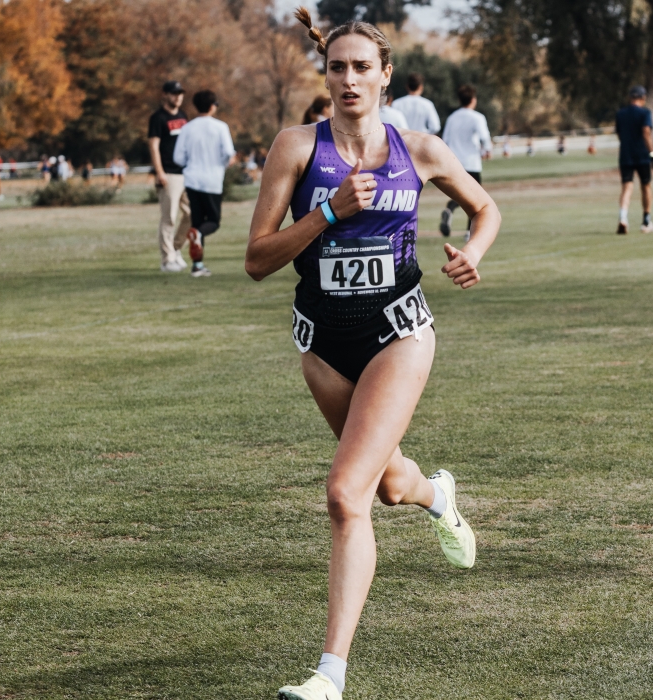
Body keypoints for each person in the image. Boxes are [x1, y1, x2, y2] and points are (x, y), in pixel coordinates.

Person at [246, 8, 501, 699]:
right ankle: (436, 493)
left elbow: (485, 207)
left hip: (399, 333)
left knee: (343, 493)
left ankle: (330, 675)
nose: (350, 78)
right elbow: (256, 261)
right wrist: (327, 212)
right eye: (338, 67)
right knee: (387, 487)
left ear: (386, 75)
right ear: (324, 74)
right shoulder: (297, 148)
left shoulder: (417, 149)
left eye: (363, 67)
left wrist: (472, 252)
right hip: (325, 345)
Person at [173, 89, 236, 277]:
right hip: (212, 180)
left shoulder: (187, 128)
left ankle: (197, 265)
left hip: (192, 180)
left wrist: (190, 164)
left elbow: (178, 158)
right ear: (212, 106)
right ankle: (198, 238)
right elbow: (229, 154)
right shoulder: (220, 127)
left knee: (198, 221)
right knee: (213, 222)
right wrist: (223, 164)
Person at [148, 80, 192, 272]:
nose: (178, 97)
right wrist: (159, 172)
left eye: (180, 93)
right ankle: (167, 260)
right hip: (168, 174)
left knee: (193, 214)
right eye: (174, 93)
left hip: (185, 173)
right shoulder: (157, 118)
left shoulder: (183, 116)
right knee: (169, 218)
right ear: (165, 95)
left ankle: (175, 249)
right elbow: (154, 146)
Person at [439, 84, 492, 239]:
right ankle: (470, 232)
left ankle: (450, 209)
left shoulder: (452, 118)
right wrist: (487, 151)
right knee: (475, 199)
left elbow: (446, 140)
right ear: (473, 100)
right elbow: (484, 137)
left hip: (455, 163)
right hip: (471, 162)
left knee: (459, 194)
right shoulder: (477, 117)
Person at [615, 85, 653, 234]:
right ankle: (646, 221)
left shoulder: (620, 114)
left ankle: (623, 218)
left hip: (625, 155)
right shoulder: (645, 113)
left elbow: (619, 135)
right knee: (646, 186)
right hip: (642, 155)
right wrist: (652, 153)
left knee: (627, 187)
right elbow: (646, 131)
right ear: (643, 98)